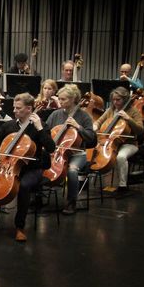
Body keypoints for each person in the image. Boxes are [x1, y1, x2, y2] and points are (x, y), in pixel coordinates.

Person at [0, 93, 56, 242]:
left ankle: (19, 226)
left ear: (29, 109)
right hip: (9, 167)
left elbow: (51, 147)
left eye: (18, 108)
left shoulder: (40, 126)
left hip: (32, 168)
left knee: (24, 186)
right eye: (14, 107)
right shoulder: (10, 125)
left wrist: (40, 128)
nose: (14, 111)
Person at [45, 84, 97, 214]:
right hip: (56, 152)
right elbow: (46, 133)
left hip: (78, 153)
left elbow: (91, 138)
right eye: (60, 99)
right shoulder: (55, 114)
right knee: (37, 164)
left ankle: (71, 202)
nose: (60, 102)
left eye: (63, 99)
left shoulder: (84, 116)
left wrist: (78, 127)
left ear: (73, 99)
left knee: (72, 170)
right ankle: (38, 198)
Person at [93, 87, 144, 193]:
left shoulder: (133, 112)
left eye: (118, 100)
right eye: (113, 100)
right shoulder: (110, 110)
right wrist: (95, 125)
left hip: (129, 144)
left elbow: (140, 130)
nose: (115, 102)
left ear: (125, 100)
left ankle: (122, 186)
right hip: (110, 142)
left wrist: (129, 119)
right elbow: (99, 121)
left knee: (121, 157)